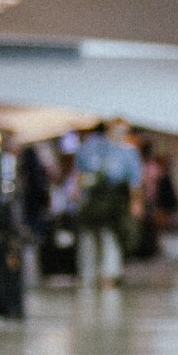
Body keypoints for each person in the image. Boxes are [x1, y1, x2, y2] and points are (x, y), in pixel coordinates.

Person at [73, 117, 144, 289]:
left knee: (111, 237)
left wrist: (135, 203)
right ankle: (88, 274)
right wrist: (76, 191)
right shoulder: (92, 146)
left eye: (123, 131)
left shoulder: (128, 152)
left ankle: (109, 275)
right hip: (93, 198)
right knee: (89, 237)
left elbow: (134, 181)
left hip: (116, 200)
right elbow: (80, 172)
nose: (120, 135)